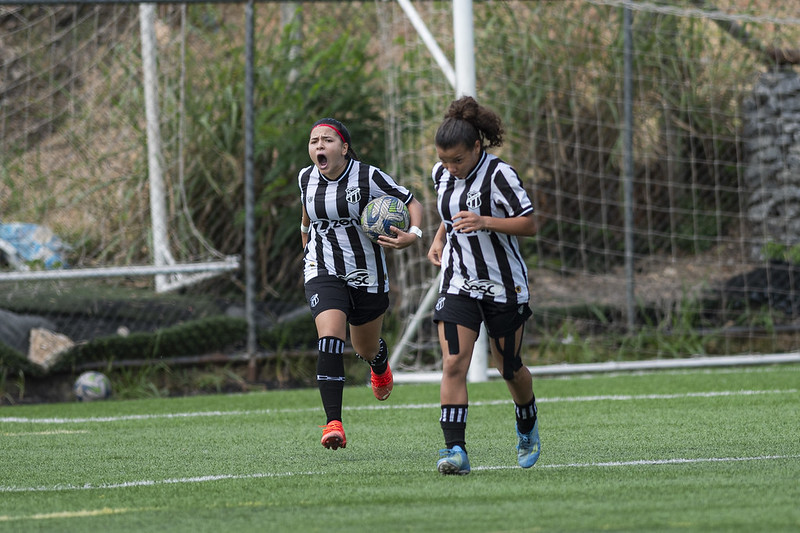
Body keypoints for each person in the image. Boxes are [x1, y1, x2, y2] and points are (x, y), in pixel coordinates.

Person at [426, 96, 540, 475]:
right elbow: (450, 210)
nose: (450, 168)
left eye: (457, 160)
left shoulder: (500, 175)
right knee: (454, 362)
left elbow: (529, 223)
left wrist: (486, 221)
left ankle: (527, 424)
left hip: (503, 286)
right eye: (444, 160)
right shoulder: (441, 174)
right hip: (459, 281)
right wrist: (440, 236)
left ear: (477, 146)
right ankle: (455, 450)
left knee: (508, 367)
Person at [299, 117, 424, 450]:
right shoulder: (306, 178)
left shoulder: (369, 176)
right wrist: (310, 255)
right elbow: (306, 219)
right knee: (330, 337)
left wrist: (413, 235)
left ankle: (379, 361)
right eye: (314, 141)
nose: (319, 146)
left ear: (344, 147)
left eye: (327, 140)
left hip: (367, 274)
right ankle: (333, 423)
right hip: (322, 269)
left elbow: (413, 204)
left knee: (365, 348)